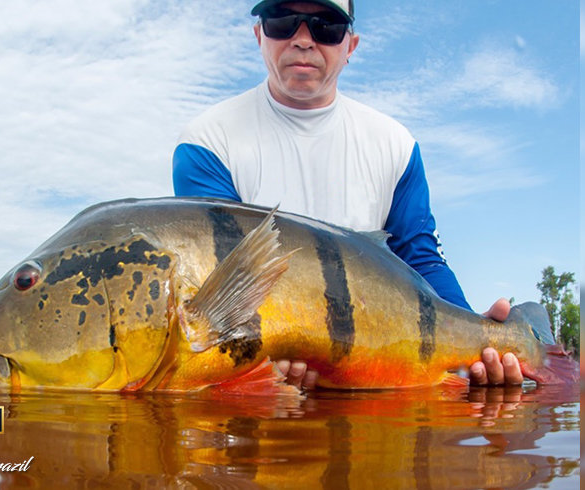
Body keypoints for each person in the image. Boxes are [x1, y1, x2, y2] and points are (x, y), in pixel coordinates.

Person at [172, 0, 523, 387]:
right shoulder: (207, 141)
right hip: (265, 385)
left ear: (350, 46)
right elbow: (224, 283)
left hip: (370, 378)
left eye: (326, 26)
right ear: (259, 34)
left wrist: (480, 343)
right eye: (283, 22)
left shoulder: (395, 144)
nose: (303, 39)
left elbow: (421, 259)